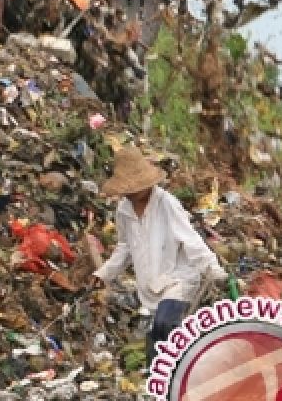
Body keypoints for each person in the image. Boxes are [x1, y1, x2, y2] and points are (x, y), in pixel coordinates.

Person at [91, 146, 228, 362]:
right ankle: (159, 381)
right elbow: (125, 247)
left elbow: (190, 240)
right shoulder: (124, 210)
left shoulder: (166, 204)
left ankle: (178, 376)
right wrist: (103, 274)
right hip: (150, 285)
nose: (132, 194)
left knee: (166, 324)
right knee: (157, 339)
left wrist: (212, 269)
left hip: (177, 278)